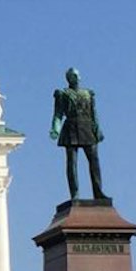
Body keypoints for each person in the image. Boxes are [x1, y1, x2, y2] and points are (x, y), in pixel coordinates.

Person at [49, 67, 108, 202]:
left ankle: (98, 191)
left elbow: (94, 114)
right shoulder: (62, 94)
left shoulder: (88, 94)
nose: (75, 78)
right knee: (72, 162)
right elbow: (58, 114)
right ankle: (75, 193)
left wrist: (98, 129)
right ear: (68, 78)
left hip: (87, 127)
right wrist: (55, 129)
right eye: (72, 76)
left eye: (76, 75)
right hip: (71, 127)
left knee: (94, 161)